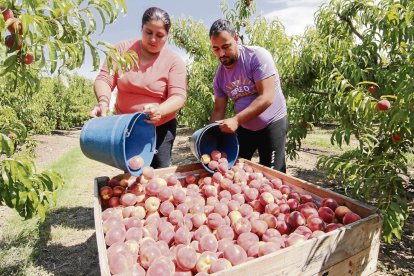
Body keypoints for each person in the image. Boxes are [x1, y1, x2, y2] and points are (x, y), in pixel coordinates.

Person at [90, 7, 187, 169]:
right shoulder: (122, 50)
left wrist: (159, 110)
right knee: (130, 172)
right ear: (141, 28)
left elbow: (179, 96)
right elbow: (104, 79)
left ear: (167, 36)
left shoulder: (174, 61)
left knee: (158, 175)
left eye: (160, 35)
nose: (153, 39)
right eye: (148, 32)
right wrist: (103, 102)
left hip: (159, 129)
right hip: (125, 127)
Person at [209, 19, 288, 173]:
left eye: (226, 47)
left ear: (236, 38)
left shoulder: (256, 56)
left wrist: (237, 119)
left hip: (272, 123)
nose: (221, 54)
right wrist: (210, 137)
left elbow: (267, 97)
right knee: (234, 171)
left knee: (273, 176)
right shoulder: (219, 77)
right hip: (245, 127)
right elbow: (218, 110)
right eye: (216, 49)